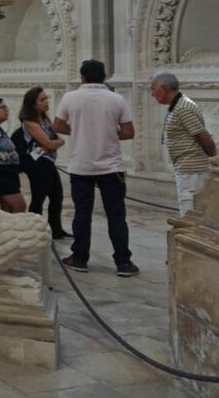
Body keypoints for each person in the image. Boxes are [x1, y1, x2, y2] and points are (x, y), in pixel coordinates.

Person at [53, 59, 138, 277]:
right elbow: (129, 132)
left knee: (82, 214)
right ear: (105, 76)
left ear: (82, 77)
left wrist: (82, 131)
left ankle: (80, 258)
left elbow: (58, 126)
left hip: (81, 166)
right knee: (117, 215)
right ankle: (124, 263)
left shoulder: (70, 98)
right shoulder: (116, 99)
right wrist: (108, 132)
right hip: (112, 167)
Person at [150, 71, 218, 216]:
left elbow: (204, 137)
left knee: (189, 213)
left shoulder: (183, 108)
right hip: (187, 168)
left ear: (164, 88)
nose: (152, 94)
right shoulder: (178, 106)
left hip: (192, 170)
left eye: (153, 89)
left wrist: (213, 162)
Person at [17, 87, 70, 239]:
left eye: (46, 98)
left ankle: (57, 229)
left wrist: (51, 144)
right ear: (33, 104)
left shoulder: (45, 120)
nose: (47, 102)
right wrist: (51, 145)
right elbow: (51, 143)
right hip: (37, 164)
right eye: (42, 99)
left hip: (47, 162)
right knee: (38, 197)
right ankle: (34, 231)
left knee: (57, 197)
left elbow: (58, 140)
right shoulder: (30, 122)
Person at [0, 98, 27, 213]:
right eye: (3, 107)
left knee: (8, 209)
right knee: (19, 206)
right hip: (3, 174)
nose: (7, 110)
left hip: (8, 173)